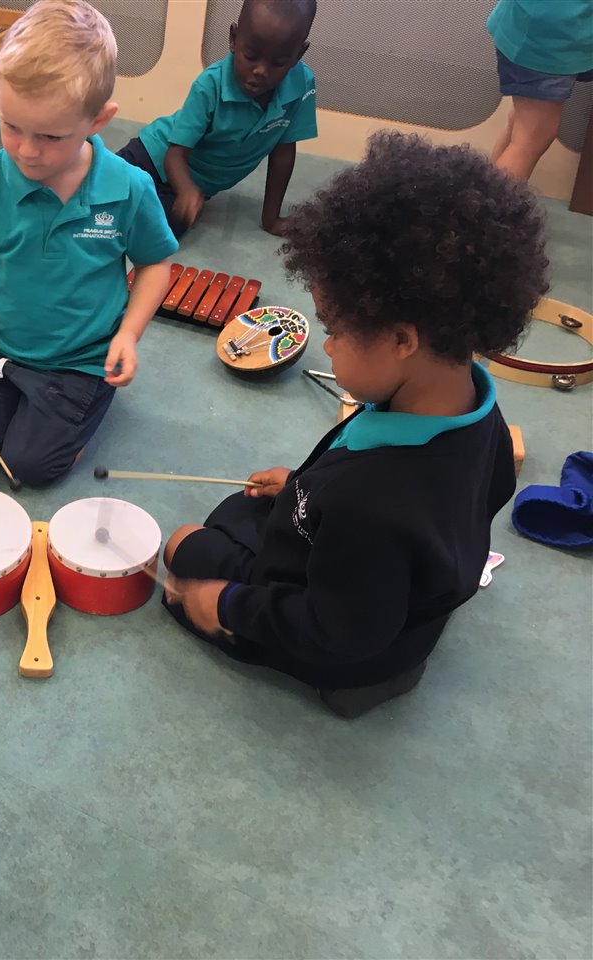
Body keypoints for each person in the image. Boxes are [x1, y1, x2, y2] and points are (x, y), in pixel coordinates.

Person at [161, 132, 547, 717]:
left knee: (183, 545)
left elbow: (336, 630)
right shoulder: (475, 410)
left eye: (335, 330)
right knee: (239, 507)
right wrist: (302, 486)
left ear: (401, 340)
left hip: (347, 640)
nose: (327, 346)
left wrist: (227, 605)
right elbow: (474, 501)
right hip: (387, 586)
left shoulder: (375, 505)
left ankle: (362, 682)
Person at [0, 0, 178, 488]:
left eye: (50, 136)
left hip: (81, 361)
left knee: (29, 468)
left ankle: (87, 406)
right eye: (11, 126)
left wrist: (128, 335)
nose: (26, 150)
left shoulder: (130, 187)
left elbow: (155, 264)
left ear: (98, 120)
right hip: (1, 351)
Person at [117, 0, 317, 238]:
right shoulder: (210, 85)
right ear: (233, 39)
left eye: (278, 62)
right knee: (100, 188)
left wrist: (271, 220)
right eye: (251, 55)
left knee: (160, 231)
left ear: (299, 54)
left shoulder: (302, 84)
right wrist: (187, 190)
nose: (261, 70)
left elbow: (283, 153)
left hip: (186, 186)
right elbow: (175, 154)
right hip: (150, 156)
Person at [487, 0, 593, 182]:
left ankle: (482, 195)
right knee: (530, 139)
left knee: (522, 129)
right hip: (549, 37)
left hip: (549, 31)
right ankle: (491, 200)